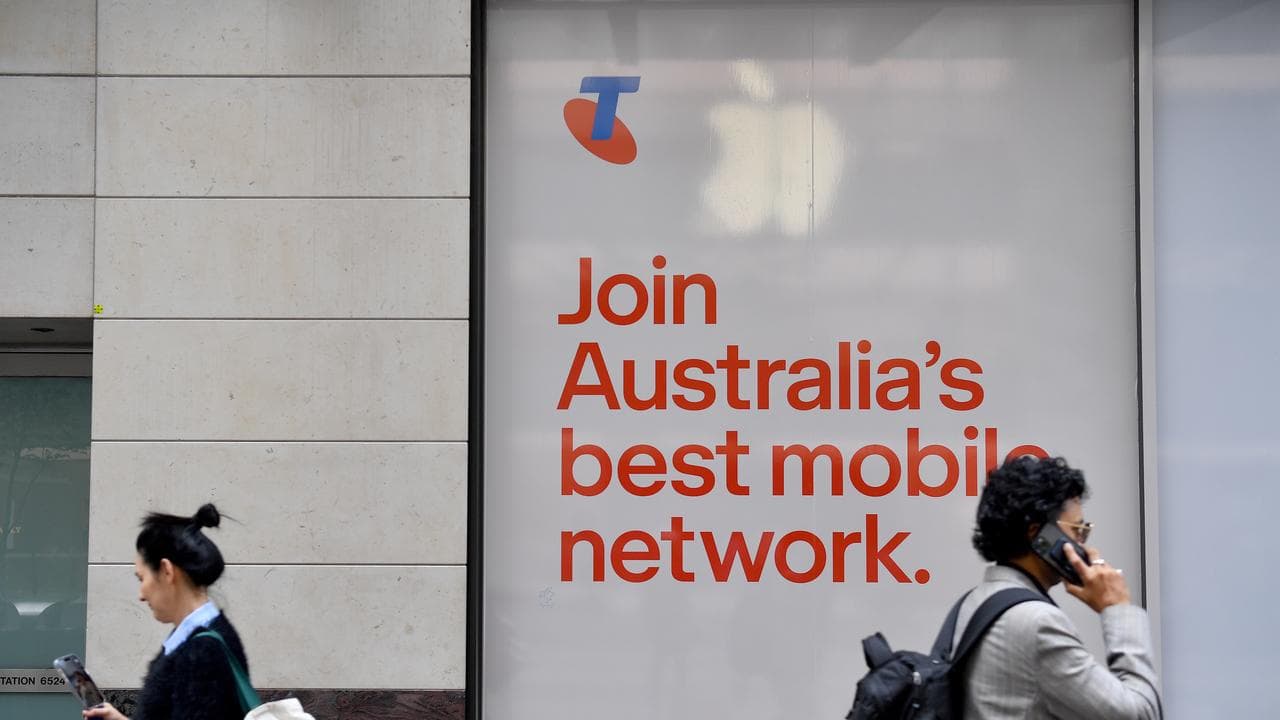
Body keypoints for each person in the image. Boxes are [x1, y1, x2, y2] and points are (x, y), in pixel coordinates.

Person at [955, 456, 1161, 719]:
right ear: (1037, 535)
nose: (1085, 546)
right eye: (1077, 530)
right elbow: (1142, 713)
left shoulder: (974, 602)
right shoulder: (1038, 624)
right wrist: (1117, 608)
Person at [86, 503, 248, 720]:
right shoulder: (202, 635)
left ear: (166, 571)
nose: (141, 595)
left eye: (142, 578)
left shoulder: (201, 652)